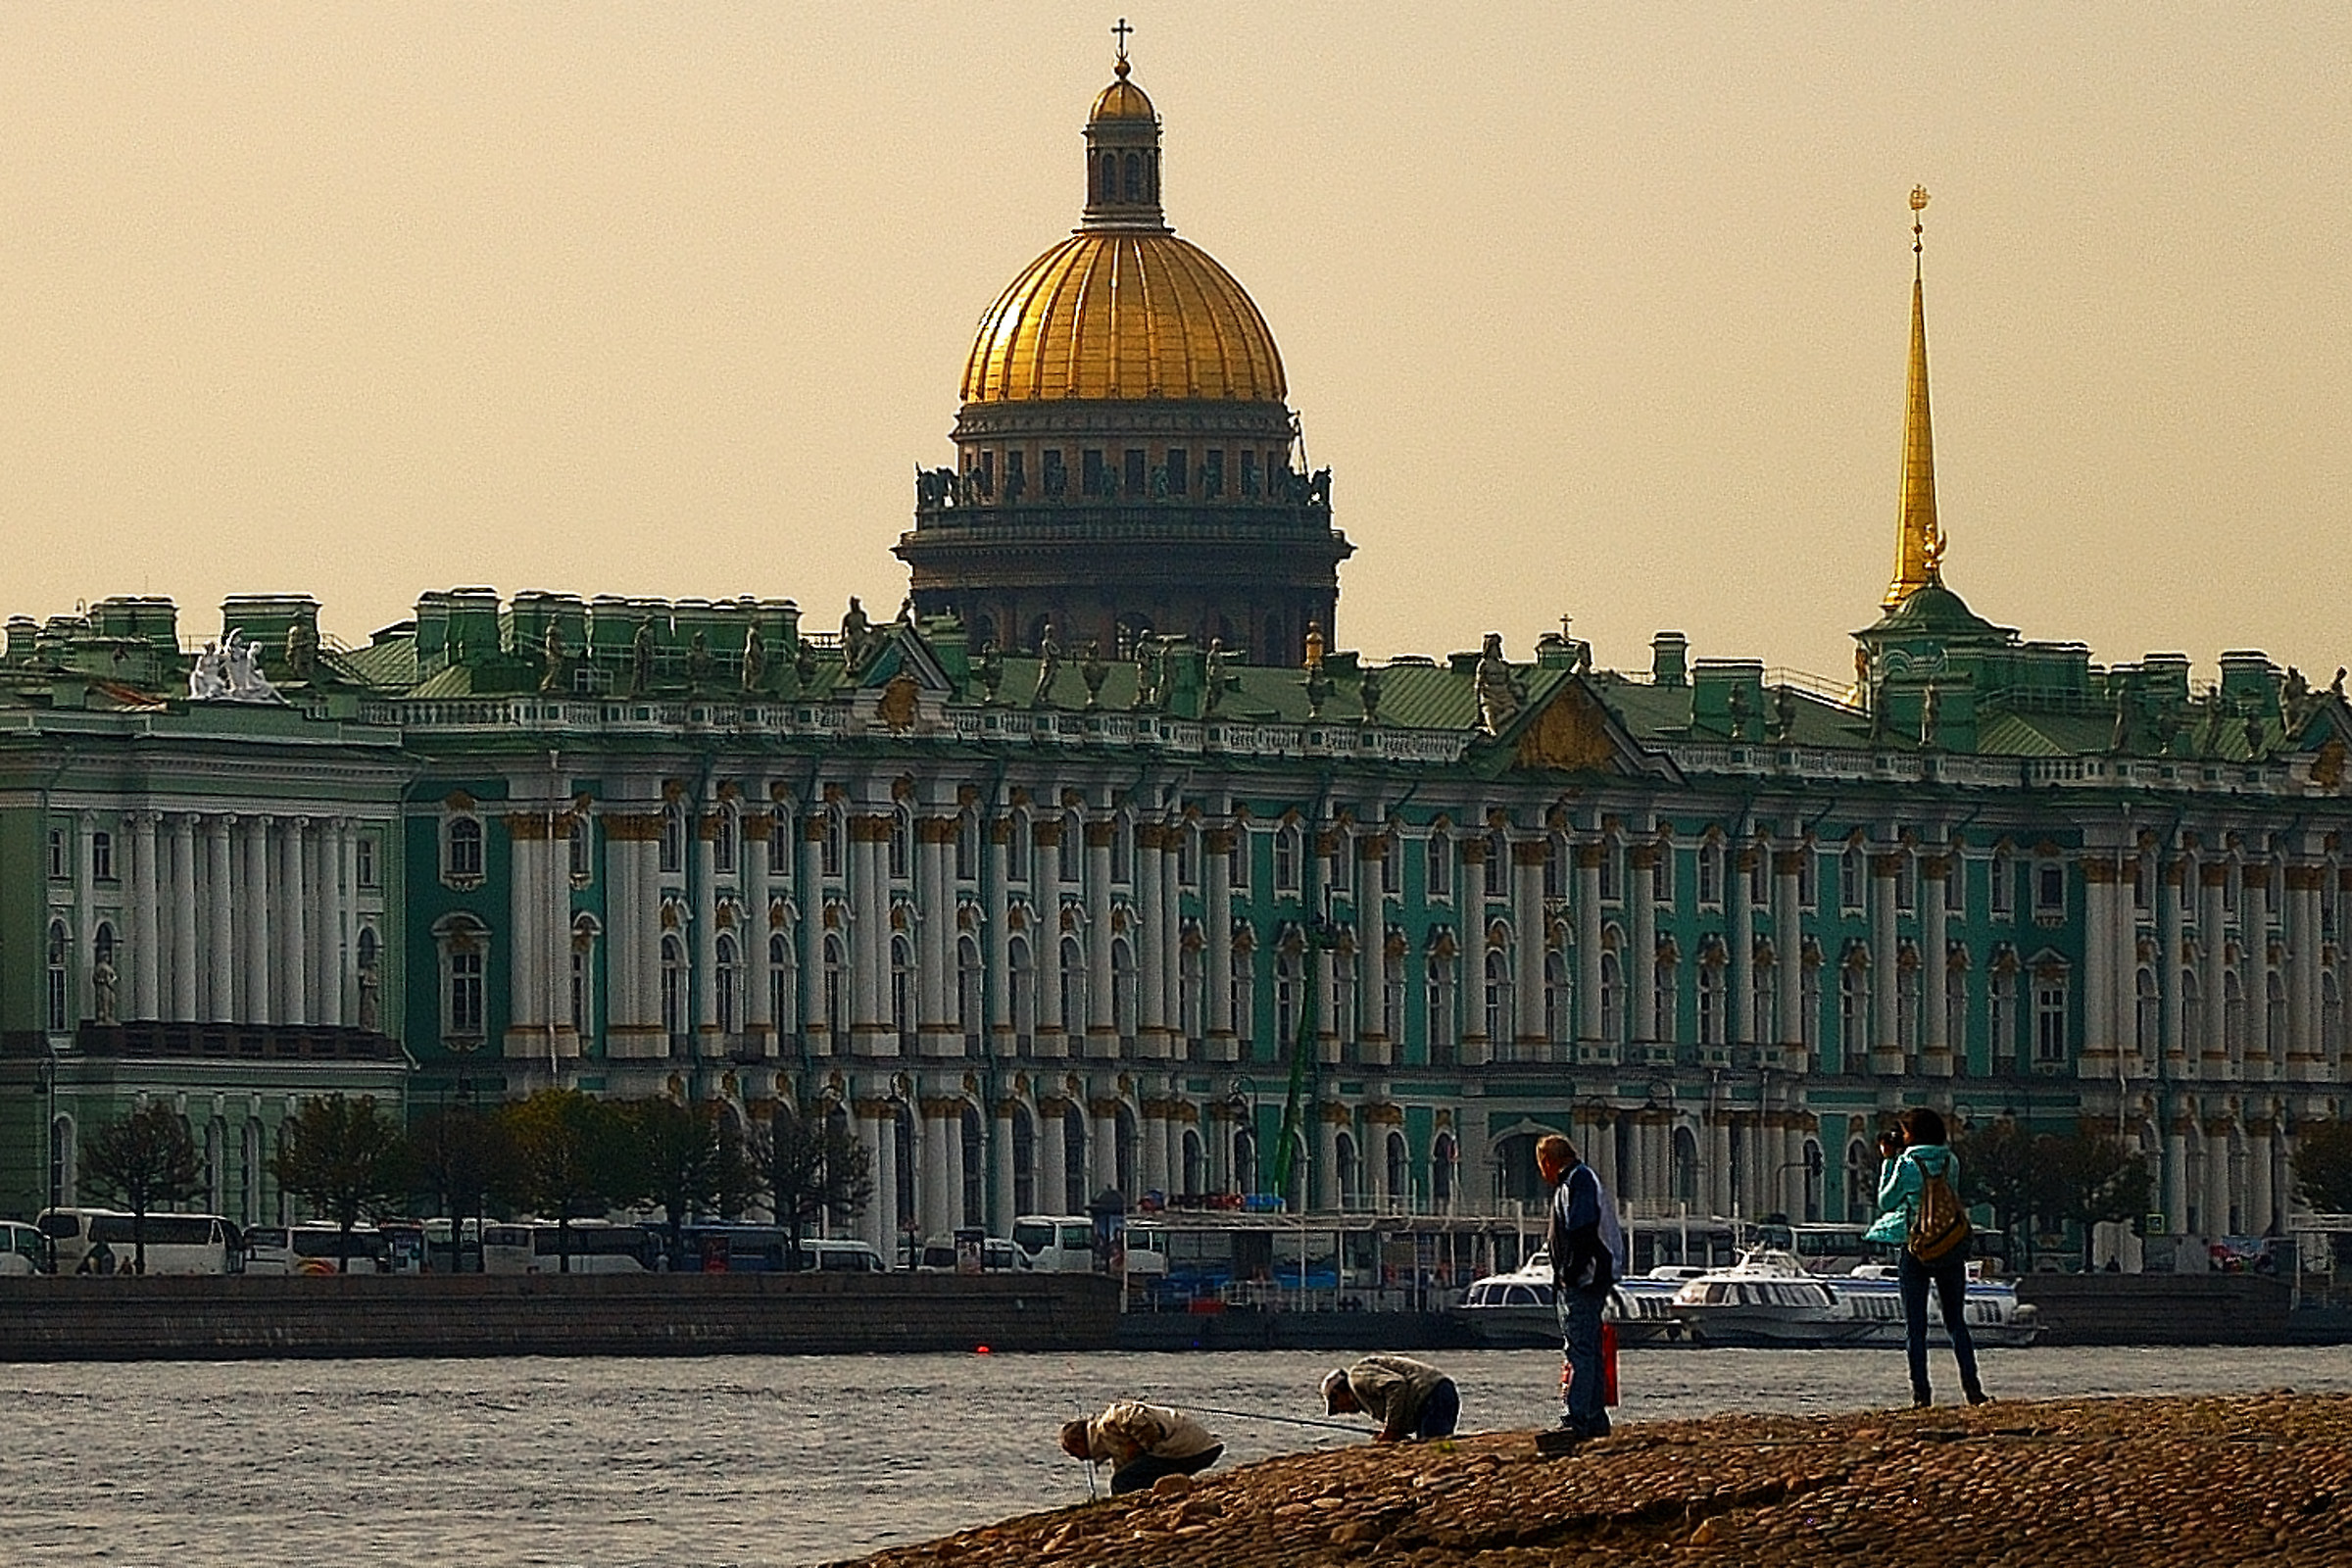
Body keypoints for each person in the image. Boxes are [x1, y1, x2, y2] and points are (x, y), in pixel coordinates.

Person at [1867, 1106, 1988, 1409]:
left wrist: (1889, 1161)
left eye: (1905, 1132)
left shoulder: (1907, 1164)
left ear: (1913, 1134)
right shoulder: (1951, 1161)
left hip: (1916, 1246)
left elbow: (1886, 1200)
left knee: (1916, 1326)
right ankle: (1973, 1390)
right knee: (1955, 1322)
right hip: (1949, 1245)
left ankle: (1922, 1394)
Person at [1539, 1132, 1622, 1440]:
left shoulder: (1578, 1181)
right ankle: (1594, 1417)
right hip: (1587, 1277)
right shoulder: (1577, 1180)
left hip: (1585, 1279)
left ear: (1548, 1161)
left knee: (1579, 1349)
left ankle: (1577, 1418)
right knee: (1589, 1348)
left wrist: (1570, 1273)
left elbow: (1582, 1229)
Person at [1058, 1400, 1223, 1494]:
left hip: (1188, 1449)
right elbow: (1123, 1466)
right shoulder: (1110, 1444)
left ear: (1079, 1442)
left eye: (1073, 1452)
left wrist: (1139, 1446)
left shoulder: (1110, 1421)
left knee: (1122, 1480)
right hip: (1199, 1448)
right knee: (1124, 1477)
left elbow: (1142, 1423)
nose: (1077, 1458)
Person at [1319, 1354, 1458, 1444]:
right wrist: (1394, 1433)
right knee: (1437, 1445)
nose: (1342, 1412)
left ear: (1339, 1391)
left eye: (1336, 1406)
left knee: (1433, 1449)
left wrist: (1391, 1429)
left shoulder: (1356, 1378)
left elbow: (1396, 1386)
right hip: (1437, 1394)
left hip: (1431, 1396)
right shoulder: (1365, 1395)